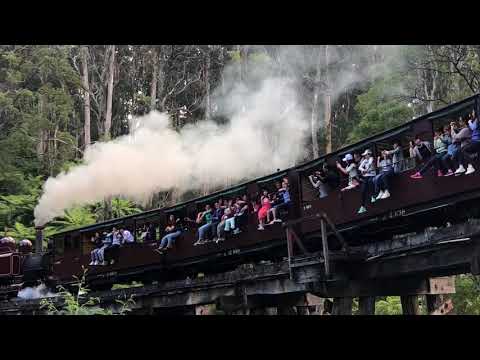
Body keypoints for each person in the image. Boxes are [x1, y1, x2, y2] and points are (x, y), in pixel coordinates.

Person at [455, 111, 479, 175]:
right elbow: (455, 139)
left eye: (473, 112)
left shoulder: (476, 120)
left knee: (463, 149)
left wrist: (469, 121)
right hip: (473, 140)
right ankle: (463, 167)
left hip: (477, 141)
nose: (472, 113)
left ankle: (471, 165)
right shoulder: (472, 122)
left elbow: (473, 127)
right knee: (459, 150)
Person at [357, 149, 377, 214]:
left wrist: (366, 170)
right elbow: (359, 167)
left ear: (369, 154)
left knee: (370, 182)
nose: (365, 156)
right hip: (366, 176)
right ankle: (362, 206)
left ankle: (373, 197)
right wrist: (363, 170)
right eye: (365, 155)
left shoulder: (371, 158)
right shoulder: (365, 160)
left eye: (366, 155)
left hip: (372, 175)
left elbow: (370, 164)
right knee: (363, 190)